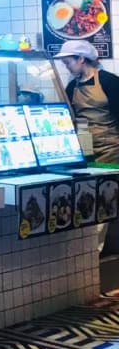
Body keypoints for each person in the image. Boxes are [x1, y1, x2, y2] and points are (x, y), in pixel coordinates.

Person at [56, 39, 119, 254]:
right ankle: (88, 257)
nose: (66, 66)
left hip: (111, 152)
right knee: (88, 204)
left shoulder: (110, 82)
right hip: (86, 153)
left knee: (103, 205)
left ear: (81, 59)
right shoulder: (72, 86)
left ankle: (95, 254)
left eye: (68, 62)